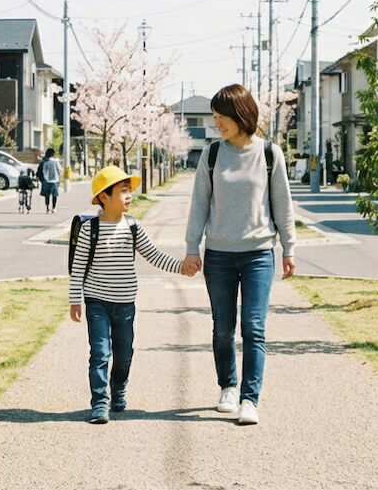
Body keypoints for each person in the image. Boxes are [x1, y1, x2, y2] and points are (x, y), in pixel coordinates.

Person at [184, 83, 296, 426]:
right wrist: (192, 248)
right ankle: (228, 387)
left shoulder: (269, 154)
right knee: (222, 328)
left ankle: (250, 398)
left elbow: (282, 204)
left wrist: (289, 247)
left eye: (222, 117)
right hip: (218, 255)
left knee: (253, 327)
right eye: (215, 118)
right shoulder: (212, 154)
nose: (217, 124)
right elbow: (200, 203)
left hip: (259, 254)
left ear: (242, 114)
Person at [69, 165, 193, 424]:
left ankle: (119, 388)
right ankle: (100, 404)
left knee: (124, 354)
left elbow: (154, 255)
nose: (129, 196)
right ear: (104, 196)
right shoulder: (89, 229)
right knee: (100, 353)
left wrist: (181, 267)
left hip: (125, 304)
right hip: (97, 303)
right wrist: (75, 300)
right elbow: (78, 267)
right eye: (123, 191)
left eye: (129, 191)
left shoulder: (133, 227)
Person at [39, 147, 62, 213]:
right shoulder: (56, 161)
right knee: (54, 195)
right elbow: (60, 170)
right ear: (53, 154)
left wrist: (45, 179)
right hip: (55, 180)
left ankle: (47, 208)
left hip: (46, 181)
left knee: (47, 195)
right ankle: (54, 208)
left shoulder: (45, 162)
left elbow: (44, 171)